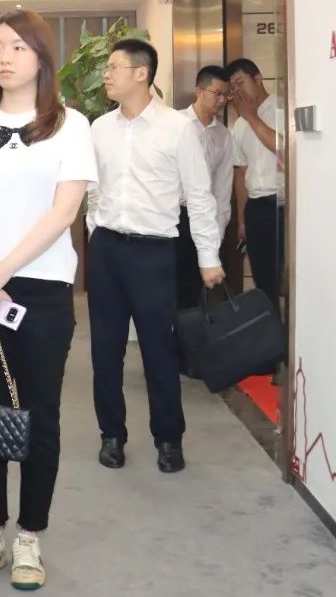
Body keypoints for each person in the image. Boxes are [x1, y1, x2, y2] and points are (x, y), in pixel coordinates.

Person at [0, 10, 97, 590]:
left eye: (17, 46)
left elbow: (64, 212)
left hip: (42, 287)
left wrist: (1, 273)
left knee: (40, 413)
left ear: (40, 56)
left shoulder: (71, 125)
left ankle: (30, 536)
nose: (4, 57)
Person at [87, 39, 225, 477]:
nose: (106, 75)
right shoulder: (100, 128)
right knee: (105, 349)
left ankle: (168, 438)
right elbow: (93, 189)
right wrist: (95, 230)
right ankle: (111, 434)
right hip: (106, 250)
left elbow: (199, 196)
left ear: (141, 73)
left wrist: (208, 256)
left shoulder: (176, 128)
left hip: (154, 252)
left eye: (114, 67)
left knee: (158, 349)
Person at [226, 57, 285, 312]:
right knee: (263, 282)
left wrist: (251, 117)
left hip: (283, 207)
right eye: (232, 88)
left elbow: (284, 149)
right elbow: (241, 173)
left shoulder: (283, 110)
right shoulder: (239, 125)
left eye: (240, 83)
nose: (237, 91)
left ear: (257, 78)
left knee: (286, 280)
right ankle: (271, 332)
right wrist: (241, 220)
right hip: (256, 209)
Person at [176, 66, 233, 311]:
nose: (222, 100)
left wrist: (216, 233)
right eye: (217, 93)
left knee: (194, 292)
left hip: (204, 218)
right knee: (168, 289)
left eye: (225, 95)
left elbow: (222, 189)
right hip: (173, 216)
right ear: (199, 91)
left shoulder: (224, 136)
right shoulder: (175, 124)